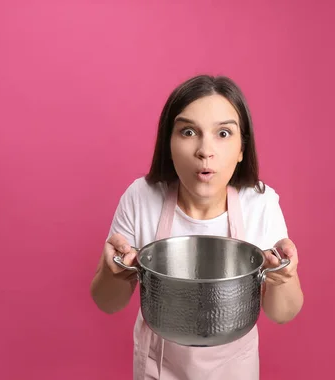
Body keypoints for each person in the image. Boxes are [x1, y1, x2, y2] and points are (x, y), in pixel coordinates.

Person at [90, 74, 304, 379]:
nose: (205, 150)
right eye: (188, 131)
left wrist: (284, 276)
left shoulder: (260, 203)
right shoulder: (141, 198)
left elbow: (283, 313)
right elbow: (107, 303)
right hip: (157, 369)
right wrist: (114, 271)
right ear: (169, 142)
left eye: (224, 134)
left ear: (243, 149)